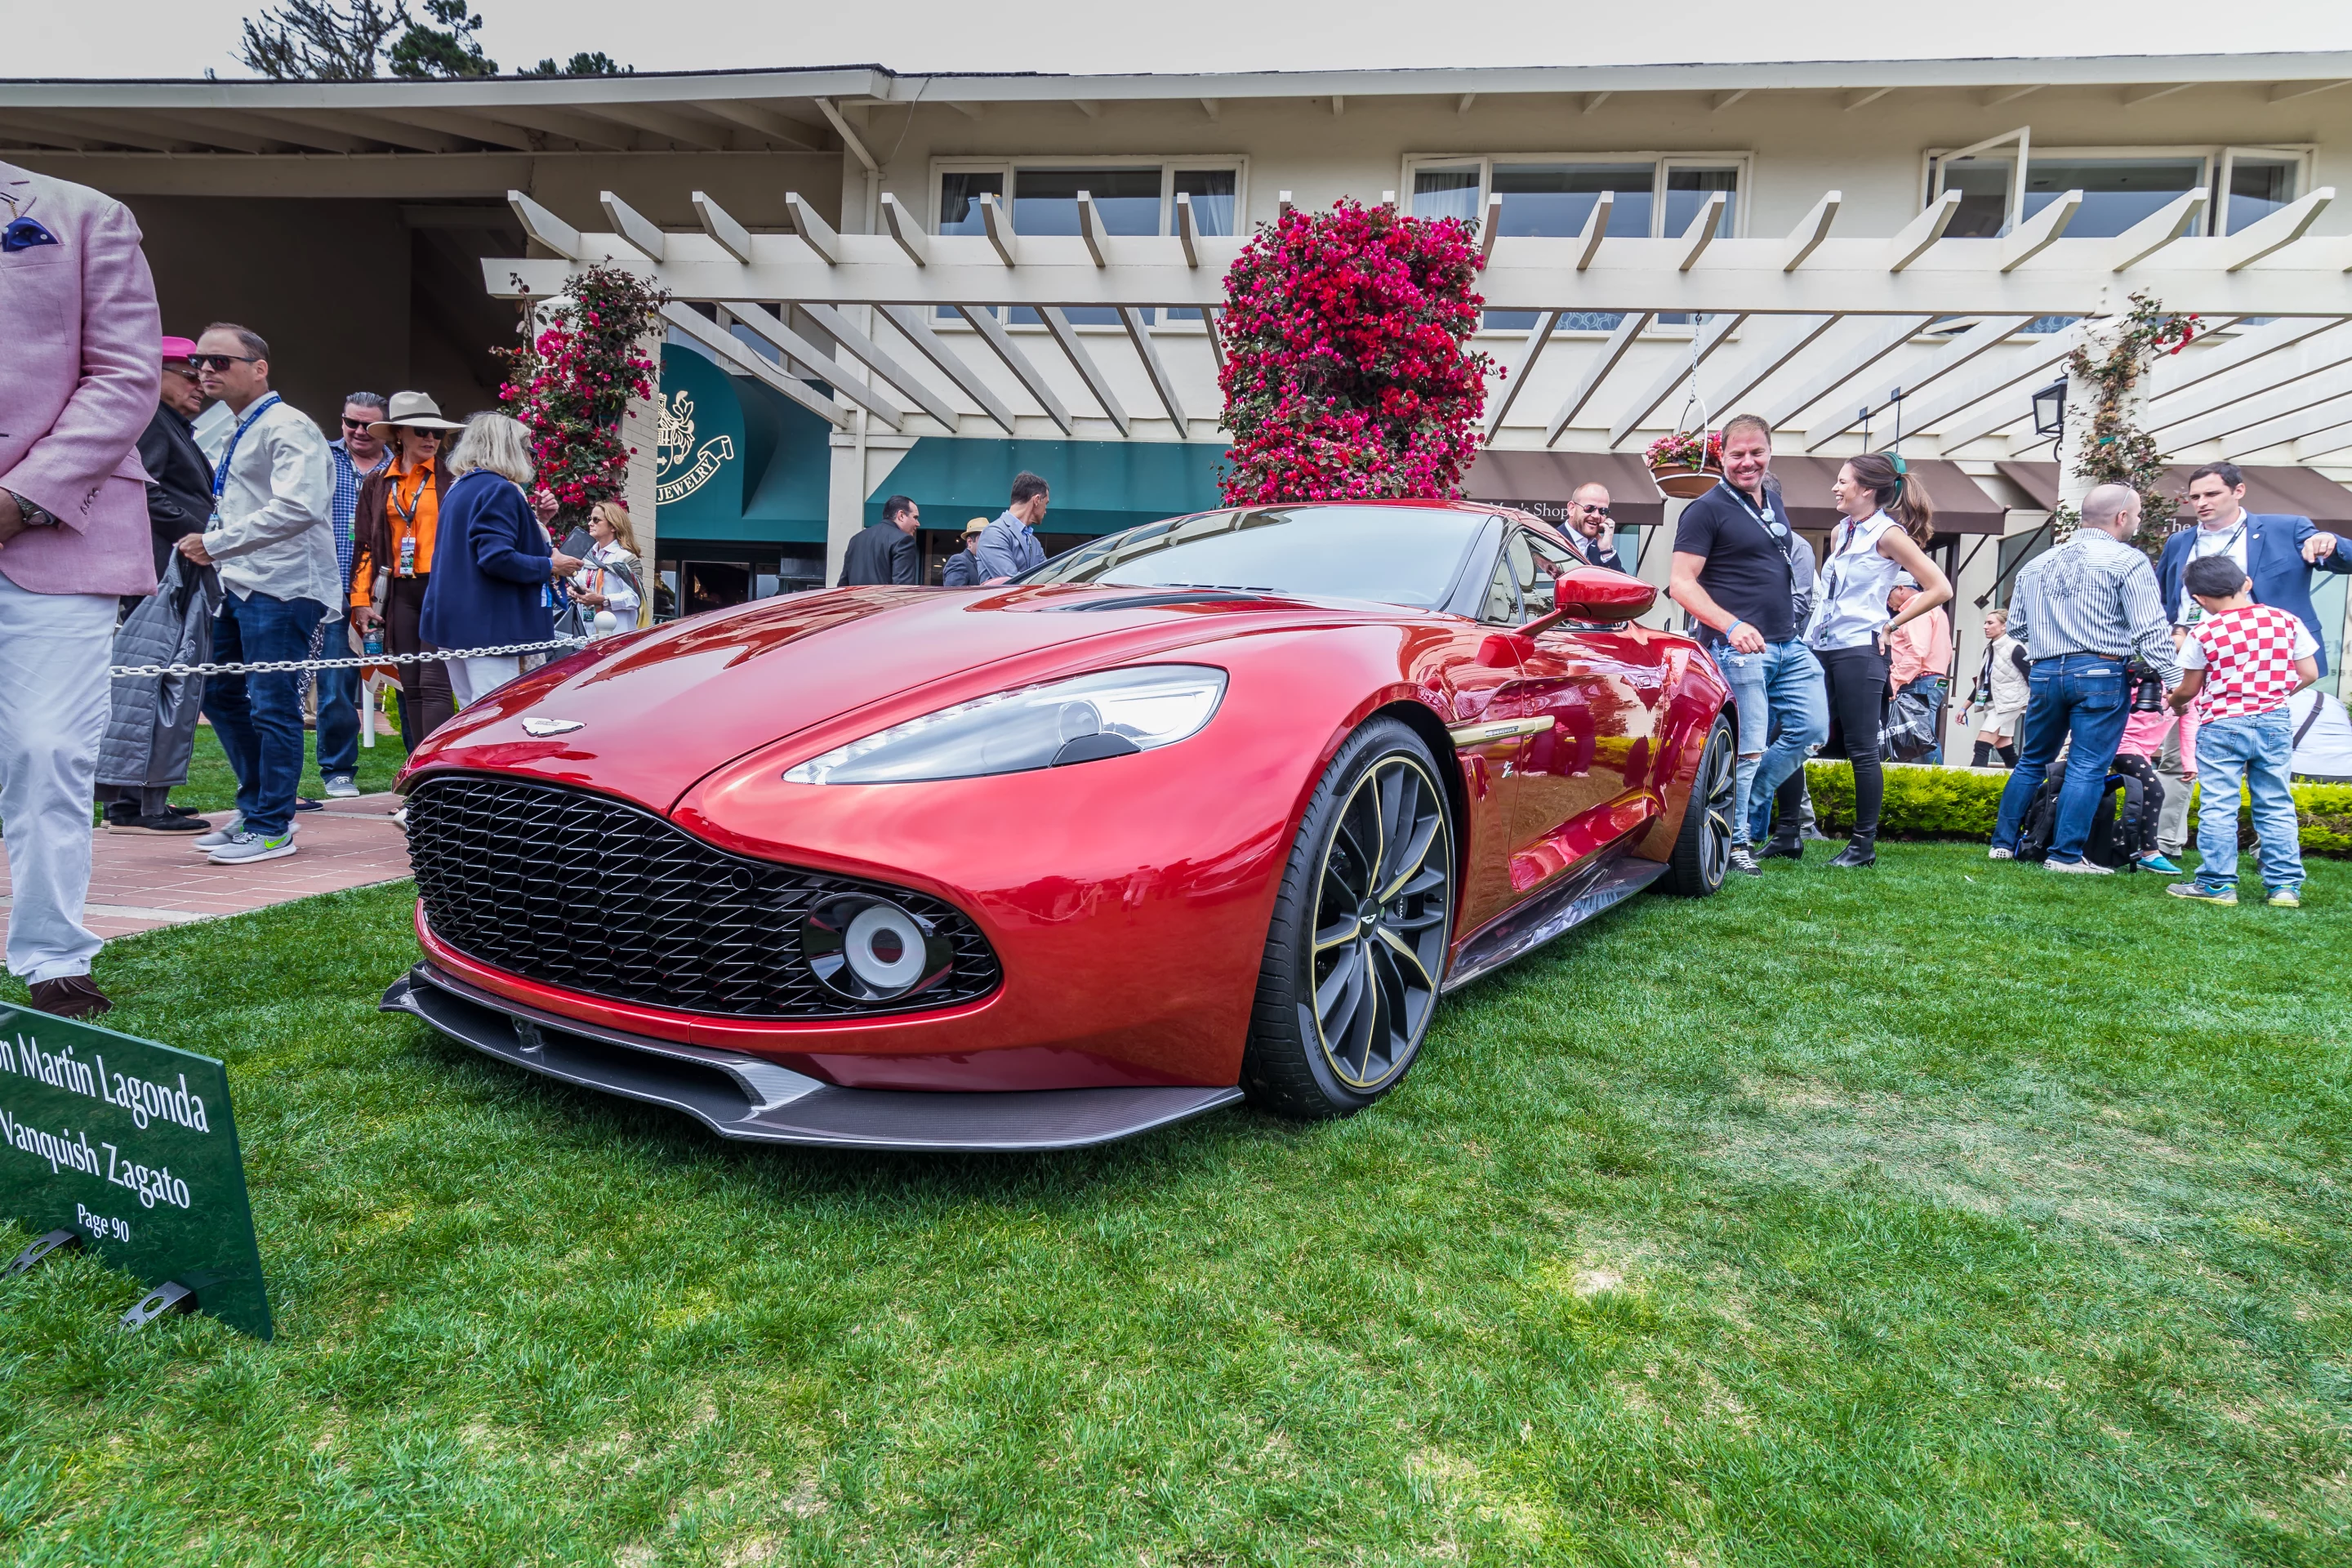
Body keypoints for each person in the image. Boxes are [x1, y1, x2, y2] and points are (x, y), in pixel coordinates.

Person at [0, 158, 162, 1018]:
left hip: (55, 533)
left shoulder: (83, 214)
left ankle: (53, 954)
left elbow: (126, 377)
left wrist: (23, 497)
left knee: (46, 749)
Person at [176, 323, 336, 868]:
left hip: (285, 586)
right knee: (219, 694)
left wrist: (216, 543)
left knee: (272, 705)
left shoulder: (289, 426)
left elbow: (300, 507)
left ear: (259, 367)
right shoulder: (243, 427)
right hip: (242, 583)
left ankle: (272, 825)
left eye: (219, 361)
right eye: (200, 361)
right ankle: (258, 808)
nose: (205, 370)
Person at [1989, 483, 2180, 873]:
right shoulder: (2128, 560)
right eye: (2138, 516)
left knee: (2031, 761)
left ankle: (2002, 845)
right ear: (2122, 517)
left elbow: (2019, 627)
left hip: (2044, 671)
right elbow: (2150, 629)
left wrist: (2055, 640)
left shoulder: (2037, 563)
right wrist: (2174, 677)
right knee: (2087, 765)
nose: (2138, 522)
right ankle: (2065, 856)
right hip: (2100, 671)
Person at [1668, 414, 1828, 876]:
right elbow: (1681, 583)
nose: (1747, 462)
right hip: (1738, 648)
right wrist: (1731, 624)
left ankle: (1732, 809)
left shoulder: (1772, 503)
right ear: (1721, 455)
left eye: (1756, 452)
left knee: (1813, 730)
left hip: (1787, 645)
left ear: (1770, 452)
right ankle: (1736, 842)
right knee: (1751, 748)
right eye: (1737, 454)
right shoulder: (1704, 510)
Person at [1804, 454, 1953, 866]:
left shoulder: (1888, 534)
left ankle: (1862, 846)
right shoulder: (1841, 531)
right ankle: (1786, 835)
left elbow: (1939, 587)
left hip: (1860, 649)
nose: (1835, 488)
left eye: (1842, 481)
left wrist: (1891, 625)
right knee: (1798, 733)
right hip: (1823, 645)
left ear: (1866, 489)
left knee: (1862, 748)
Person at [2165, 555, 2317, 907]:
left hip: (2222, 723)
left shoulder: (2204, 631)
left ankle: (2218, 885)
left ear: (2199, 599)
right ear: (2246, 583)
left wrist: (2175, 703)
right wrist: (2276, 694)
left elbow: (2189, 689)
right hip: (2274, 721)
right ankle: (2283, 888)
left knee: (2219, 804)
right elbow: (2308, 673)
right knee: (2276, 803)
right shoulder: (2286, 621)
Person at [421, 412, 580, 707]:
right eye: (529, 450)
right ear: (509, 448)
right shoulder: (499, 489)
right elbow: (497, 557)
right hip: (491, 627)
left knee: (471, 715)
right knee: (496, 716)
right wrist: (550, 565)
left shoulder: (460, 488)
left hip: (457, 624)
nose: (532, 458)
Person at [2158, 461, 2350, 677]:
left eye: (2212, 494)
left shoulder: (2287, 529)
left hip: (2271, 658)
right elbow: (2163, 599)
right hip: (2197, 657)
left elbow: (2347, 562)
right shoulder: (2178, 541)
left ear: (2238, 491)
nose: (2202, 503)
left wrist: (2332, 543)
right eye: (2195, 497)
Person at [350, 392, 463, 753]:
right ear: (400, 433)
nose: (431, 439)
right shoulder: (378, 483)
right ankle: (422, 780)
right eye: (421, 431)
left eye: (437, 433)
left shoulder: (455, 479)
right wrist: (360, 600)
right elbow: (365, 545)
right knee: (410, 684)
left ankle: (441, 778)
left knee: (434, 684)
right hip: (398, 591)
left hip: (442, 589)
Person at [314, 390, 388, 797]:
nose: (359, 431)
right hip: (334, 589)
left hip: (392, 592)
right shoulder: (322, 457)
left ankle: (418, 765)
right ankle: (338, 770)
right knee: (336, 683)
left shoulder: (403, 466)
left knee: (409, 677)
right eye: (351, 422)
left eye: (368, 425)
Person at [134, 335, 213, 579]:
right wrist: (204, 537)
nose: (201, 386)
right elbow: (143, 492)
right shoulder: (151, 418)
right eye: (191, 377)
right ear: (155, 372)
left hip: (176, 562)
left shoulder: (170, 422)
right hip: (161, 565)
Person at [1884, 570, 1954, 764]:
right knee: (1921, 737)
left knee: (1922, 738)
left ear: (1900, 588)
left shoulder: (1917, 608)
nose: (1886, 600)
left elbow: (1917, 650)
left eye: (1887, 593)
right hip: (1932, 678)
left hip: (1919, 679)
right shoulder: (1934, 608)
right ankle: (1931, 784)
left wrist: (1894, 680)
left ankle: (1934, 785)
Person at [1967, 607, 2029, 768]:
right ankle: (2021, 782)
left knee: (1981, 746)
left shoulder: (2016, 648)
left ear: (2004, 626)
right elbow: (1984, 681)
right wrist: (1965, 707)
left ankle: (1972, 783)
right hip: (1995, 703)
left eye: (1990, 623)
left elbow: (2031, 676)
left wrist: (2037, 703)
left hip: (2008, 704)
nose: (1985, 626)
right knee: (2005, 746)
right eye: (1985, 622)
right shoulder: (1990, 649)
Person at [568, 500, 643, 629]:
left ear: (613, 526)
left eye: (596, 520)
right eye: (590, 518)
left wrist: (603, 599)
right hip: (585, 633)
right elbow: (578, 582)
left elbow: (635, 598)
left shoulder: (625, 558)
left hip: (616, 634)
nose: (590, 523)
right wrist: (572, 591)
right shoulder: (587, 556)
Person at [974, 471, 1050, 582]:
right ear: (1037, 500)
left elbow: (1049, 578)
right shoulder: (994, 533)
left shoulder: (1034, 542)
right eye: (1046, 503)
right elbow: (1014, 583)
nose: (1045, 511)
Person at [840, 493, 920, 586]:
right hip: (885, 600)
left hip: (856, 600)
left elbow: (843, 585)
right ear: (901, 515)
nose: (918, 524)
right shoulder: (904, 541)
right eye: (915, 517)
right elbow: (903, 589)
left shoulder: (855, 539)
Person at [1566, 483, 1627, 572]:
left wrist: (1606, 551)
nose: (1596, 516)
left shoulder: (1601, 550)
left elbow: (1621, 584)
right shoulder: (1549, 541)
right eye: (1589, 508)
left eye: (1603, 511)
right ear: (1572, 509)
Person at [941, 516, 989, 586]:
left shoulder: (987, 562)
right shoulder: (959, 561)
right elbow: (954, 594)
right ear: (970, 542)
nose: (989, 543)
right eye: (984, 539)